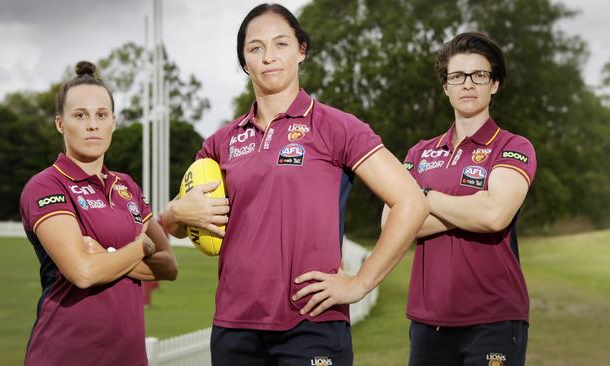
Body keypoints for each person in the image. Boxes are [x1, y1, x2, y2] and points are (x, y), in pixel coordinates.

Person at [160, 3, 428, 365]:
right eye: (256, 48)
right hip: (234, 327)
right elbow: (177, 226)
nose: (269, 56)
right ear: (244, 62)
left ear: (302, 51)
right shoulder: (219, 143)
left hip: (312, 323)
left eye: (281, 44)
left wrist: (361, 282)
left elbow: (411, 202)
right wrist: (175, 211)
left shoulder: (337, 127)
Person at [383, 32, 537, 366]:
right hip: (428, 320)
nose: (468, 84)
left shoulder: (513, 146)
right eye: (457, 76)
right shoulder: (419, 153)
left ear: (493, 84)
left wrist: (422, 197)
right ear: (445, 87)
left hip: (494, 317)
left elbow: (494, 215)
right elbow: (390, 222)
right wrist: (471, 205)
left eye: (479, 75)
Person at [19, 61, 178, 366]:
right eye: (80, 115)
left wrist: (105, 255)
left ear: (113, 122)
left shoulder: (127, 186)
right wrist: (140, 248)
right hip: (65, 354)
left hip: (128, 357)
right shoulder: (45, 185)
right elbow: (83, 273)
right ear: (60, 123)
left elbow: (169, 266)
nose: (93, 124)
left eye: (101, 115)